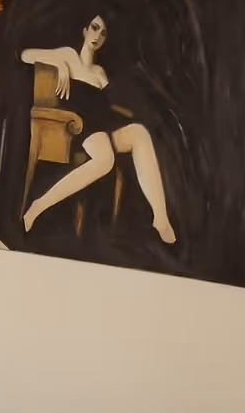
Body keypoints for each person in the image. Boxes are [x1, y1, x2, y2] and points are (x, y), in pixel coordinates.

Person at [21, 14, 177, 243]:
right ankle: (38, 206)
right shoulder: (68, 55)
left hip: (104, 127)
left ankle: (161, 218)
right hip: (80, 127)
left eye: (103, 32)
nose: (97, 35)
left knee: (140, 133)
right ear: (85, 30)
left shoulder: (100, 72)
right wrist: (59, 64)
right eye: (94, 28)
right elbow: (24, 55)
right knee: (105, 160)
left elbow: (108, 108)